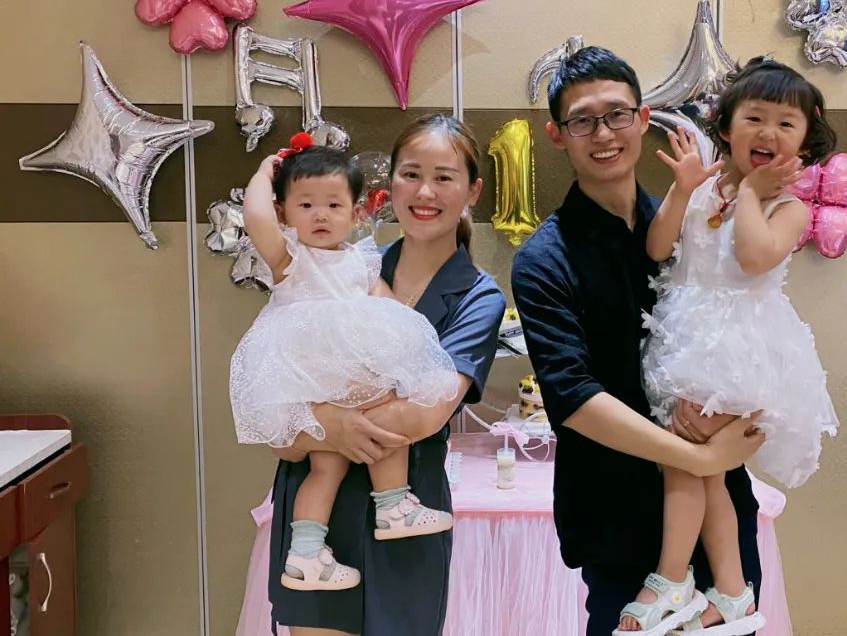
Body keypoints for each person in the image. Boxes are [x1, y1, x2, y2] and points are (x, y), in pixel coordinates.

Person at [511, 47, 765, 636]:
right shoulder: (544, 259)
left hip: (721, 516)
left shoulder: (697, 229)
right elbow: (572, 397)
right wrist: (695, 456)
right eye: (582, 120)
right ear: (557, 135)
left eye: (617, 114)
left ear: (643, 118)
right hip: (618, 519)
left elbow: (748, 329)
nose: (603, 134)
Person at [617, 57, 839, 635]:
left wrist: (752, 196)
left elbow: (754, 257)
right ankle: (734, 591)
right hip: (684, 340)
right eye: (755, 118)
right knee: (705, 471)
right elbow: (657, 249)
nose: (768, 132)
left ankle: (669, 581)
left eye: (786, 123)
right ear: (725, 127)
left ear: (805, 140)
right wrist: (682, 190)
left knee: (682, 460)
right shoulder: (704, 189)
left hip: (739, 353)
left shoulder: (789, 207)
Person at [266, 114, 505, 635]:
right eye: (411, 174)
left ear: (472, 191)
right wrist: (316, 426)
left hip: (403, 509)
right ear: (389, 184)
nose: (425, 191)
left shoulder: (478, 297)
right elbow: (278, 429)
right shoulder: (339, 266)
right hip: (316, 521)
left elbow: (424, 414)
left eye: (444, 177)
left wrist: (325, 422)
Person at [230, 132, 462, 592]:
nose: (320, 215)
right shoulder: (291, 259)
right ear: (283, 213)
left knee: (331, 462)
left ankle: (309, 552)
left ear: (356, 213)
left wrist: (408, 351)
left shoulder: (361, 261)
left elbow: (390, 310)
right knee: (375, 418)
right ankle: (387, 507)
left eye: (333, 205)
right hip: (314, 374)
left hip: (345, 373)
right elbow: (255, 217)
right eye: (306, 205)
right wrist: (263, 173)